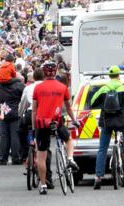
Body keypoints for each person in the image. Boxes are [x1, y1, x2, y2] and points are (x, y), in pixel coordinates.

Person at [32, 61, 80, 195]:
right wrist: (75, 120)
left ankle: (43, 185)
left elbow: (34, 110)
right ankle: (70, 159)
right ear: (56, 71)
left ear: (43, 72)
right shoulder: (62, 87)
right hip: (57, 121)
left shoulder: (37, 88)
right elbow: (69, 107)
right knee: (69, 140)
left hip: (41, 123)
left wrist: (34, 127)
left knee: (41, 155)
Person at [90, 66, 124, 190]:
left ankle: (98, 177)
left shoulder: (104, 89)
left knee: (102, 149)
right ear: (119, 75)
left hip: (106, 122)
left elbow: (92, 103)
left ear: (109, 76)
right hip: (122, 122)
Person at [0, 67, 25, 165]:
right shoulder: (19, 85)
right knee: (15, 135)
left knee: (4, 135)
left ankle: (3, 158)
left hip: (3, 111)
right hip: (16, 112)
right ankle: (16, 157)